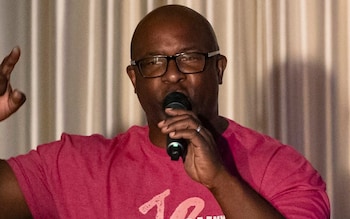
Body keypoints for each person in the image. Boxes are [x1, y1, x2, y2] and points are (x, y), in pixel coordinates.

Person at [0, 4, 330, 219]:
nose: (173, 74)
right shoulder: (77, 166)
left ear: (219, 69)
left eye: (189, 57)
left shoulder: (280, 168)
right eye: (154, 62)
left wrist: (219, 181)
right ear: (134, 78)